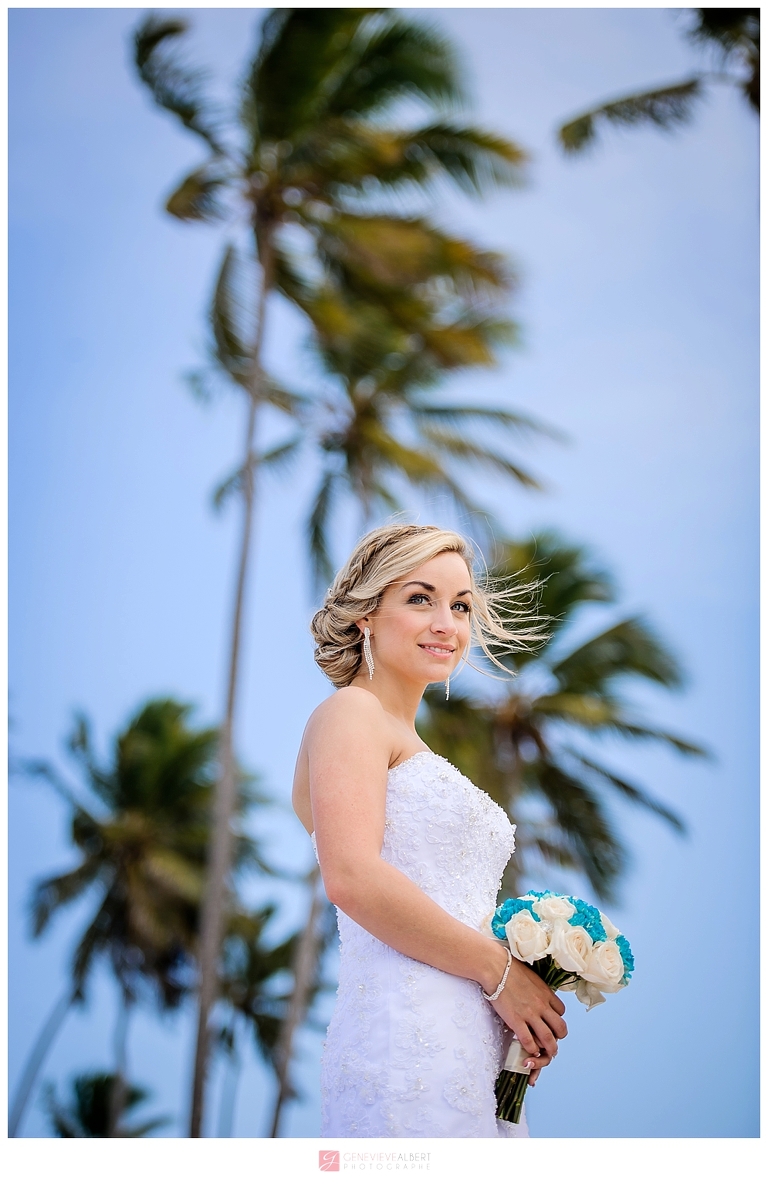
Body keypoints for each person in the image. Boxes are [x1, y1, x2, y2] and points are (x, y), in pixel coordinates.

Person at [292, 524, 567, 1137]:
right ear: (366, 614)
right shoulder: (350, 714)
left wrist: (521, 1005)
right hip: (405, 1040)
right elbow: (353, 877)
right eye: (421, 599)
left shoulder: (407, 741)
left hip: (472, 1048)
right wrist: (501, 974)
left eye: (461, 605)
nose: (447, 622)